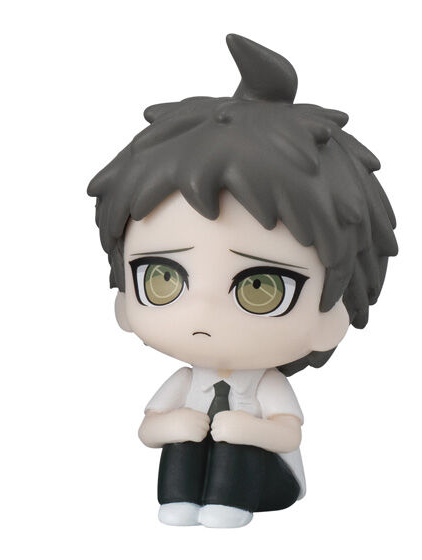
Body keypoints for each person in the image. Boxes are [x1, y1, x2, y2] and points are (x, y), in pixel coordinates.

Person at [87, 34, 398, 528]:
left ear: (331, 317)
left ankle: (229, 504)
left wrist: (245, 430)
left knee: (234, 443)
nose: (203, 312)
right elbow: (148, 430)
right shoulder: (187, 382)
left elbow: (288, 435)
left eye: (261, 288)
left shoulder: (266, 386)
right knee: (183, 441)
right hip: (198, 462)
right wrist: (173, 425)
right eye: (163, 279)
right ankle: (178, 501)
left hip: (265, 476)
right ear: (125, 299)